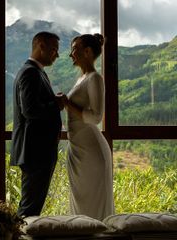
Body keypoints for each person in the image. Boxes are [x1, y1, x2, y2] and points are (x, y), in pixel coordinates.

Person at [10, 31, 64, 217]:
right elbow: (30, 110)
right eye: (54, 49)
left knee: (32, 206)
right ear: (41, 46)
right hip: (36, 151)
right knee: (29, 209)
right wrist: (56, 104)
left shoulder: (36, 72)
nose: (57, 54)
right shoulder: (30, 73)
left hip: (38, 150)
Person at [61, 33, 115, 220]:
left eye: (74, 49)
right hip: (77, 149)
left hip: (91, 151)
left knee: (92, 204)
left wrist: (68, 104)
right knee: (80, 203)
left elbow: (96, 117)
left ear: (88, 52)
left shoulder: (94, 78)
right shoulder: (81, 78)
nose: (71, 54)